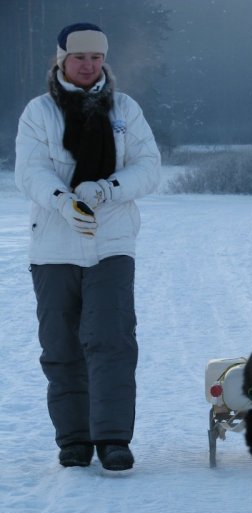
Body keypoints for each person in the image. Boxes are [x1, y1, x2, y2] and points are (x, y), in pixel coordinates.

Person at [15, 23, 161, 471]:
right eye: (79, 57)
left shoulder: (125, 110)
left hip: (112, 244)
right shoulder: (39, 112)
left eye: (96, 58)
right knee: (61, 346)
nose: (88, 65)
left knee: (111, 340)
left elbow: (148, 168)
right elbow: (31, 172)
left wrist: (105, 189)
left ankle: (113, 438)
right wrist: (65, 201)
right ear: (61, 60)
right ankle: (74, 441)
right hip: (54, 247)